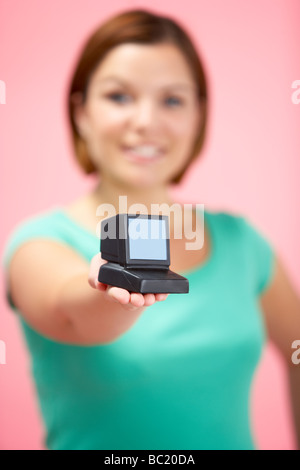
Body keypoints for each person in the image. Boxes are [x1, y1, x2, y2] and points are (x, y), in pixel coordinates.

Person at [2, 8, 300, 451]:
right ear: (80, 111)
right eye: (119, 96)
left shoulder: (243, 243)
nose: (145, 121)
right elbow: (71, 312)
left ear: (199, 115)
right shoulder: (38, 244)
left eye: (173, 100)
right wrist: (113, 281)